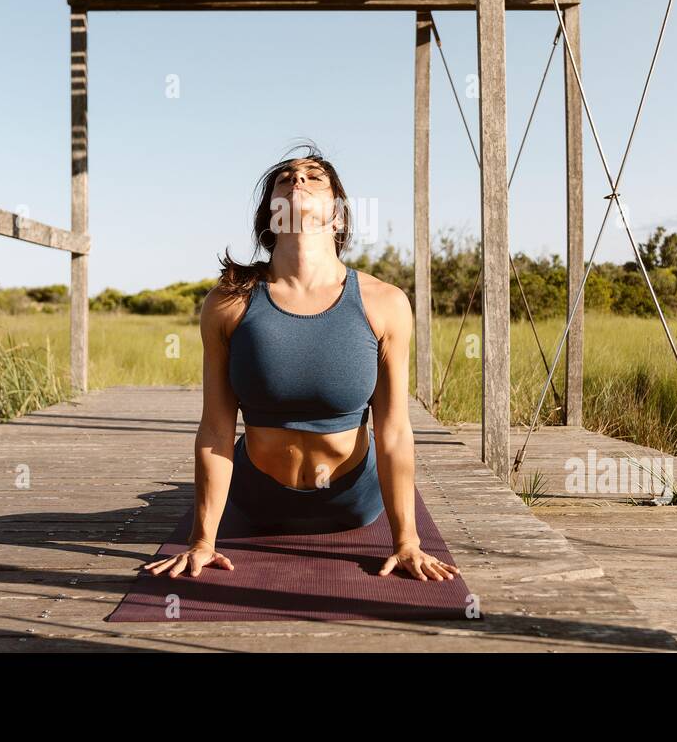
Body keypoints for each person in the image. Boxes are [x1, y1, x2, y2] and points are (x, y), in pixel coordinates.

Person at [143, 146, 460, 582]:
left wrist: (407, 542)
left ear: (339, 215)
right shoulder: (229, 302)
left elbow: (394, 429)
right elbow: (215, 428)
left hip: (354, 502)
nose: (298, 180)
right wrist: (201, 541)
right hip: (257, 502)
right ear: (270, 215)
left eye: (315, 177)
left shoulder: (384, 302)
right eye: (286, 177)